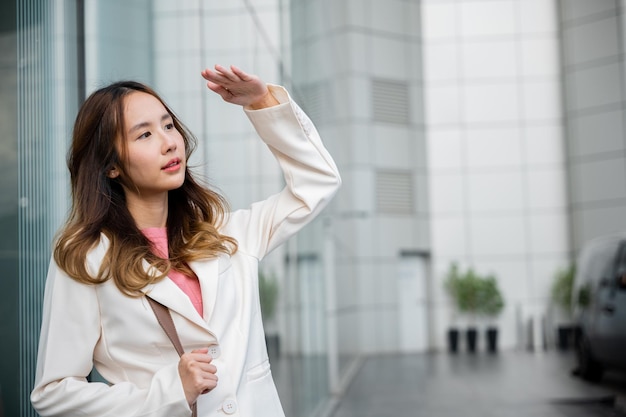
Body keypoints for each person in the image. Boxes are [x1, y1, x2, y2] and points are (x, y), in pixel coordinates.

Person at [30, 65, 341, 416]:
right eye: (144, 135)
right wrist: (169, 393)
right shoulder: (86, 258)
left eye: (168, 125)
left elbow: (318, 183)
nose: (169, 142)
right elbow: (54, 394)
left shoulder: (228, 234)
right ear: (111, 165)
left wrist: (262, 103)